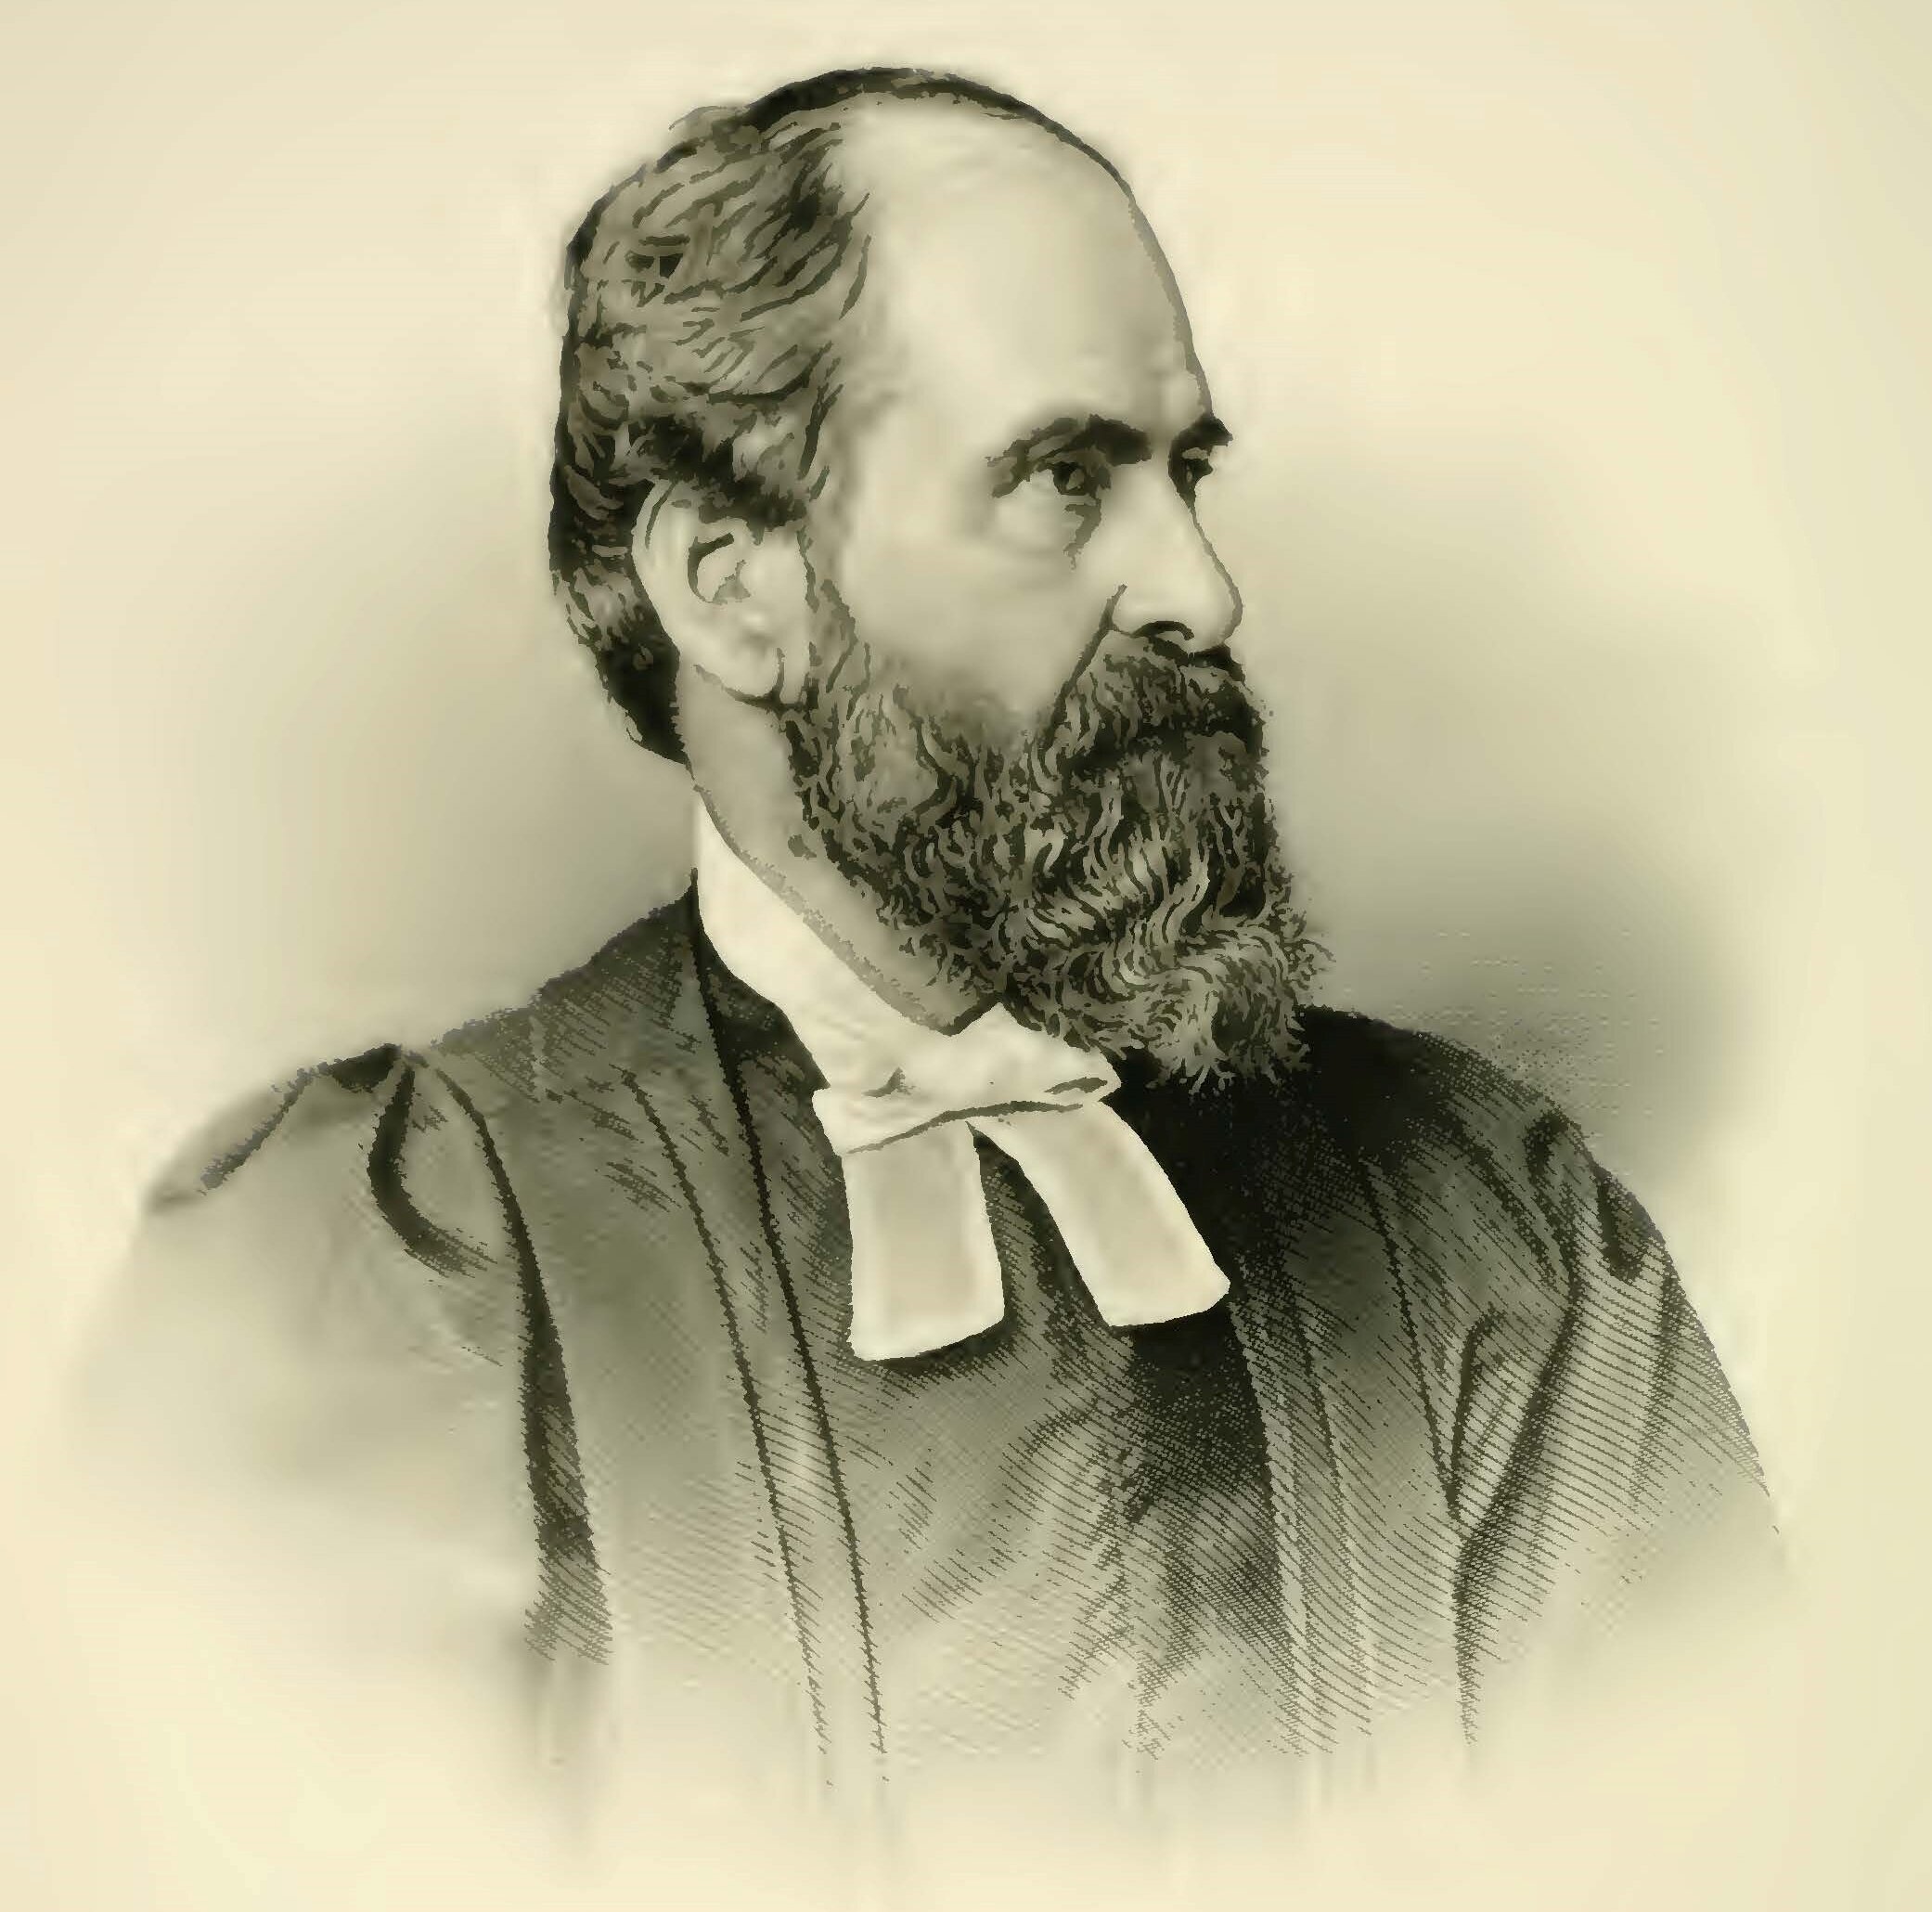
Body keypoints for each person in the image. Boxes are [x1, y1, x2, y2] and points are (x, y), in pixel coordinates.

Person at [92, 67, 1770, 1819]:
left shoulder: (1493, 1234)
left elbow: (1666, 1911)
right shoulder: (398, 1277)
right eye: (1063, 478)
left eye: (1185, 475)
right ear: (733, 585)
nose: (1202, 594)